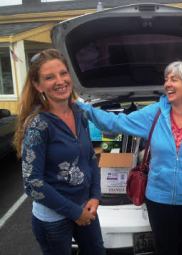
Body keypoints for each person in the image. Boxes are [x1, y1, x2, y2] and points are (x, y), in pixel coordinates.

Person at [77, 61, 182, 255]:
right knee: (165, 249)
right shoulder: (155, 113)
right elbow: (116, 123)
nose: (167, 84)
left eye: (173, 79)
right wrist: (83, 108)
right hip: (159, 199)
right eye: (166, 79)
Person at [13, 49, 105, 255]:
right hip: (53, 219)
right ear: (38, 86)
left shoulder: (79, 113)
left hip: (86, 207)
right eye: (49, 77)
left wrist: (95, 196)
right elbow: (32, 184)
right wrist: (75, 213)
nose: (60, 80)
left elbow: (90, 157)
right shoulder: (39, 125)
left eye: (63, 73)